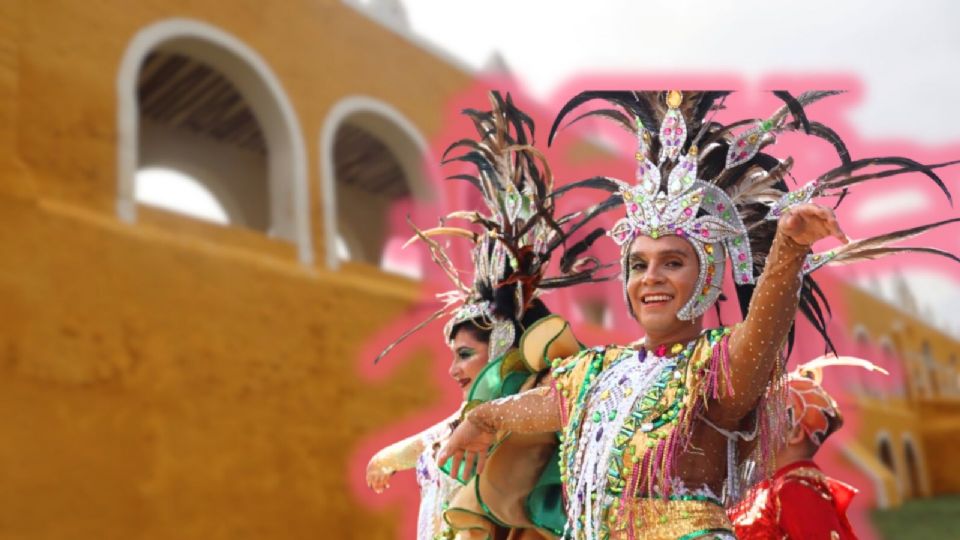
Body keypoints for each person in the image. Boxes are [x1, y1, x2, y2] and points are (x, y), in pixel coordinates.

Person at [438, 90, 958, 539]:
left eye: (673, 262)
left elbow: (764, 334)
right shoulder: (591, 373)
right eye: (638, 265)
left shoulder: (717, 365)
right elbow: (532, 408)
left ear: (708, 276)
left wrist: (787, 251)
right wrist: (482, 418)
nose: (652, 278)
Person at [367, 92, 606, 540]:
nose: (454, 369)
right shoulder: (467, 421)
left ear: (499, 346)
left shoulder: (540, 403)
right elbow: (430, 440)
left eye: (464, 354)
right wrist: (386, 459)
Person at [729, 355, 886, 540]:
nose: (755, 428)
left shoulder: (796, 491)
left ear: (794, 434)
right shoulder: (777, 488)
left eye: (767, 418)